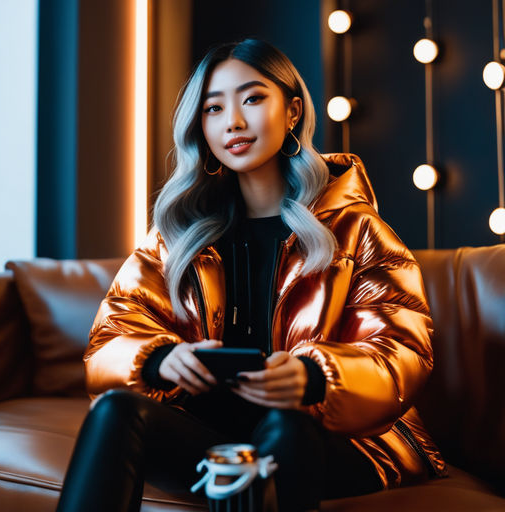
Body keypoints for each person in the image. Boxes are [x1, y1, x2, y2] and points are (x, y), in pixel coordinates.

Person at [56, 38, 446, 512]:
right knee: (117, 413)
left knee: (286, 427)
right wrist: (159, 360)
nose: (233, 122)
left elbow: (402, 350)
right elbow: (111, 338)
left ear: (294, 111)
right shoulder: (177, 235)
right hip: (213, 437)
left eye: (253, 98)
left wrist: (314, 377)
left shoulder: (357, 229)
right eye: (213, 108)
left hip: (334, 440)